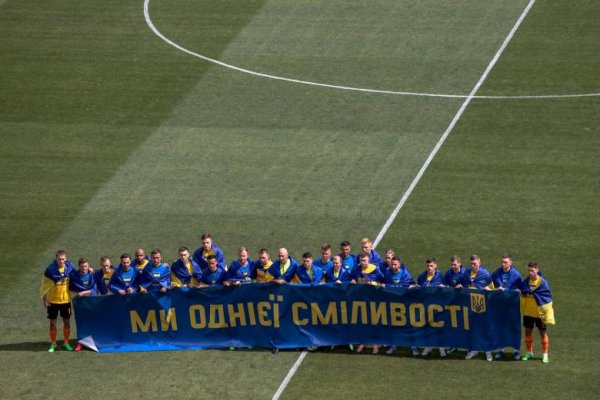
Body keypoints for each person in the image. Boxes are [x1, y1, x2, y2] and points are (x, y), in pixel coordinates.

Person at [457, 255, 493, 361]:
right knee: (472, 328)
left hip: (482, 305)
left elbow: (492, 289)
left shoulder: (485, 274)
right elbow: (461, 283)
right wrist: (460, 286)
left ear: (479, 263)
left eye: (475, 264)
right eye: (471, 264)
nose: (473, 266)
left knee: (484, 328)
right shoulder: (466, 273)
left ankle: (488, 351)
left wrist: (488, 290)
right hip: (469, 305)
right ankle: (474, 349)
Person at [40, 250, 76, 352]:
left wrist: (90, 270)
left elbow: (79, 275)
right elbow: (44, 285)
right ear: (56, 259)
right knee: (52, 323)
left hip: (65, 300)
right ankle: (53, 344)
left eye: (63, 259)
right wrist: (44, 298)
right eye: (59, 259)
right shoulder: (50, 270)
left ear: (66, 259)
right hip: (53, 301)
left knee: (67, 321)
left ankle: (66, 343)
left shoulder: (70, 268)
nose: (61, 261)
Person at [381, 257, 417, 356]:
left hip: (405, 304)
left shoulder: (405, 274)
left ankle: (413, 346)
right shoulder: (387, 273)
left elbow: (413, 284)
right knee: (392, 326)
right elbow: (384, 284)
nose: (393, 266)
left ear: (399, 264)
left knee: (409, 325)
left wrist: (411, 287)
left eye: (395, 264)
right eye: (392, 264)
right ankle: (393, 346)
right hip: (392, 304)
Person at [520, 261, 554, 363]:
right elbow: (523, 292)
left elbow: (547, 297)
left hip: (540, 313)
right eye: (529, 270)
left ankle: (545, 354)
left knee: (542, 333)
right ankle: (529, 353)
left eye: (532, 270)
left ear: (537, 270)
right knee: (527, 332)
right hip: (528, 312)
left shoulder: (542, 282)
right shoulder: (526, 282)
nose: (530, 273)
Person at [351, 252, 384, 354]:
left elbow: (383, 282)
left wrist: (373, 284)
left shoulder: (375, 269)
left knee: (374, 322)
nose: (362, 262)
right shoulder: (357, 268)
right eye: (361, 260)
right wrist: (353, 280)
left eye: (364, 260)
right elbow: (352, 276)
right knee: (362, 323)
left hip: (373, 300)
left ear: (368, 260)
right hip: (360, 300)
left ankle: (375, 345)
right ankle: (363, 343)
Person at [491, 253, 522, 360]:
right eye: (502, 262)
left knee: (514, 328)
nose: (503, 264)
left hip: (512, 306)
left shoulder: (516, 275)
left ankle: (516, 351)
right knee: (501, 327)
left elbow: (521, 290)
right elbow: (490, 284)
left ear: (510, 263)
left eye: (505, 262)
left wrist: (515, 291)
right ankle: (501, 350)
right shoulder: (496, 274)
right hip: (500, 305)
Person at [415, 258, 446, 358]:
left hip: (438, 307)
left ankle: (441, 347)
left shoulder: (441, 277)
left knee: (438, 327)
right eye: (428, 266)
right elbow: (418, 288)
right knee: (427, 327)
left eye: (431, 266)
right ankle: (428, 346)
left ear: (435, 266)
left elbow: (449, 289)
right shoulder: (422, 276)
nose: (429, 268)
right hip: (425, 306)